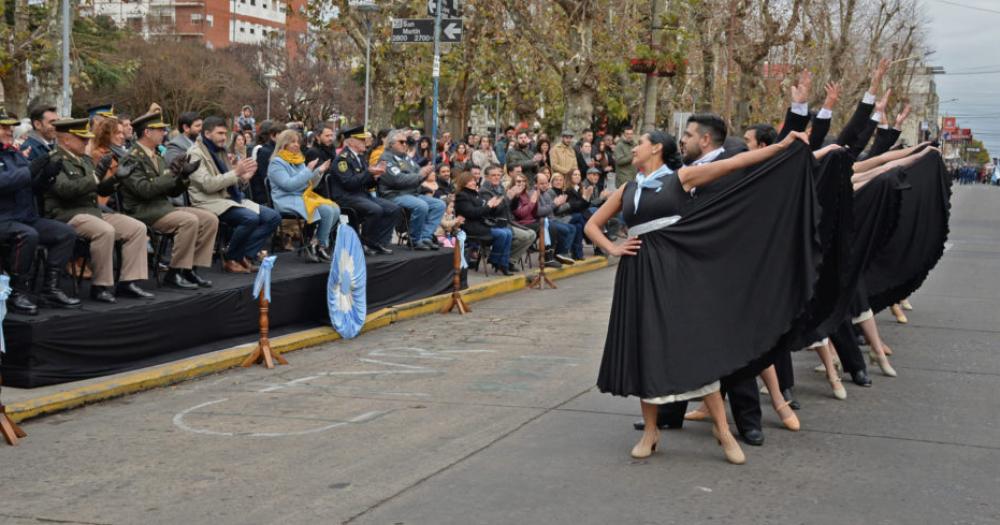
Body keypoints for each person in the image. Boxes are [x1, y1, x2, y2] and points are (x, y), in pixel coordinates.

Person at [586, 128, 812, 464]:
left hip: (676, 272)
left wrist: (780, 146)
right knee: (645, 347)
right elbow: (592, 225)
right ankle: (651, 432)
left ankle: (722, 429)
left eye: (639, 144)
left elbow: (735, 164)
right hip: (637, 275)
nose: (633, 148)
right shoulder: (627, 187)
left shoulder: (681, 178)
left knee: (693, 346)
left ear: (656, 149)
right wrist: (613, 248)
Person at [43, 117, 152, 303]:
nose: (87, 141)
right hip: (67, 214)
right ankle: (100, 286)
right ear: (66, 139)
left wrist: (116, 178)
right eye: (82, 138)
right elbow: (65, 191)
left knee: (136, 227)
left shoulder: (83, 159)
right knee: (105, 230)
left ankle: (128, 283)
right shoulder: (53, 160)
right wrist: (95, 176)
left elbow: (100, 189)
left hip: (92, 212)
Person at [119, 112, 218, 289]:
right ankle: (174, 273)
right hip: (143, 210)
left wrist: (183, 177)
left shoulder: (156, 156)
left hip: (163, 208)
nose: (164, 133)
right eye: (160, 130)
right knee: (189, 221)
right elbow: (144, 191)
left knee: (210, 219)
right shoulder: (132, 158)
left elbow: (172, 192)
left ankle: (189, 269)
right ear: (147, 132)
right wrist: (172, 175)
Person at [0, 108, 80, 314]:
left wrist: (47, 175)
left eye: (10, 127)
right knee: (27, 235)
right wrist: (30, 170)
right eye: (3, 127)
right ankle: (16, 292)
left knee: (66, 233)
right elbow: (4, 182)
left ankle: (50, 289)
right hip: (4, 218)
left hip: (24, 216)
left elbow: (32, 187)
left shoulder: (12, 153)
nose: (9, 130)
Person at [187, 116, 279, 274]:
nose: (224, 137)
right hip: (208, 201)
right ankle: (231, 258)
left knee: (273, 217)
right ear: (207, 134)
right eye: (220, 133)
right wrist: (237, 172)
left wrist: (244, 178)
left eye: (225, 133)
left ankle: (244, 255)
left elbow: (231, 181)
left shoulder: (220, 151)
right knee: (250, 218)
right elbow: (208, 185)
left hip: (228, 199)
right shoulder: (195, 154)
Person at [268, 129, 338, 262]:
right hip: (285, 199)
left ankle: (315, 242)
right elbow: (288, 185)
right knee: (327, 210)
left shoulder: (298, 160)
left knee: (335, 208)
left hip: (301, 196)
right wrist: (308, 170)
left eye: (297, 142)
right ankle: (320, 246)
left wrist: (318, 171)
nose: (296, 145)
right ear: (283, 144)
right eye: (292, 142)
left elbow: (309, 184)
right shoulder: (277, 163)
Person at [331, 125, 400, 256]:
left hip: (361, 195)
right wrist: (368, 172)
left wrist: (375, 176)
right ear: (351, 141)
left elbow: (366, 184)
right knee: (375, 210)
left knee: (393, 208)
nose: (366, 142)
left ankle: (379, 242)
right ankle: (365, 243)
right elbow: (349, 184)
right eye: (361, 140)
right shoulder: (342, 159)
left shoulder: (360, 157)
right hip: (346, 197)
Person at [379, 129, 446, 251]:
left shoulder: (405, 158)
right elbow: (398, 180)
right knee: (421, 206)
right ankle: (414, 240)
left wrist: (425, 173)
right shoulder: (386, 159)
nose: (405, 144)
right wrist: (421, 175)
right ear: (391, 144)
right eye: (401, 142)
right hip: (394, 194)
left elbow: (417, 173)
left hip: (411, 193)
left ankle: (426, 237)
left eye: (406, 142)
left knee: (439, 204)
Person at [454, 172, 514, 275]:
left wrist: (494, 206)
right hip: (471, 226)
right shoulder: (461, 196)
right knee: (502, 234)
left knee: (508, 232)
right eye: (470, 181)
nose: (473, 182)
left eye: (473, 180)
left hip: (481, 224)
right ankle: (496, 261)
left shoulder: (475, 194)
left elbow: (485, 211)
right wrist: (488, 206)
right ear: (463, 183)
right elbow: (472, 213)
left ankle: (502, 263)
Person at [479, 165, 536, 266]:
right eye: (493, 175)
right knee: (525, 236)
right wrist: (508, 197)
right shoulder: (485, 192)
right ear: (487, 177)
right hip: (495, 223)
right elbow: (494, 212)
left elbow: (511, 208)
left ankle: (509, 260)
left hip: (507, 221)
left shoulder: (500, 187)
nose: (497, 177)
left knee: (532, 234)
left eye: (498, 175)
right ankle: (502, 259)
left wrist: (516, 197)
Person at [551, 171, 590, 260]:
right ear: (552, 182)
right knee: (579, 216)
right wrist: (568, 204)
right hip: (557, 219)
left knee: (579, 226)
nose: (559, 182)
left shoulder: (563, 191)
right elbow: (555, 211)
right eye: (556, 180)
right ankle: (590, 235)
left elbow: (579, 205)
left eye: (561, 180)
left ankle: (578, 254)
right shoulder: (552, 192)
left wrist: (586, 197)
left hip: (565, 216)